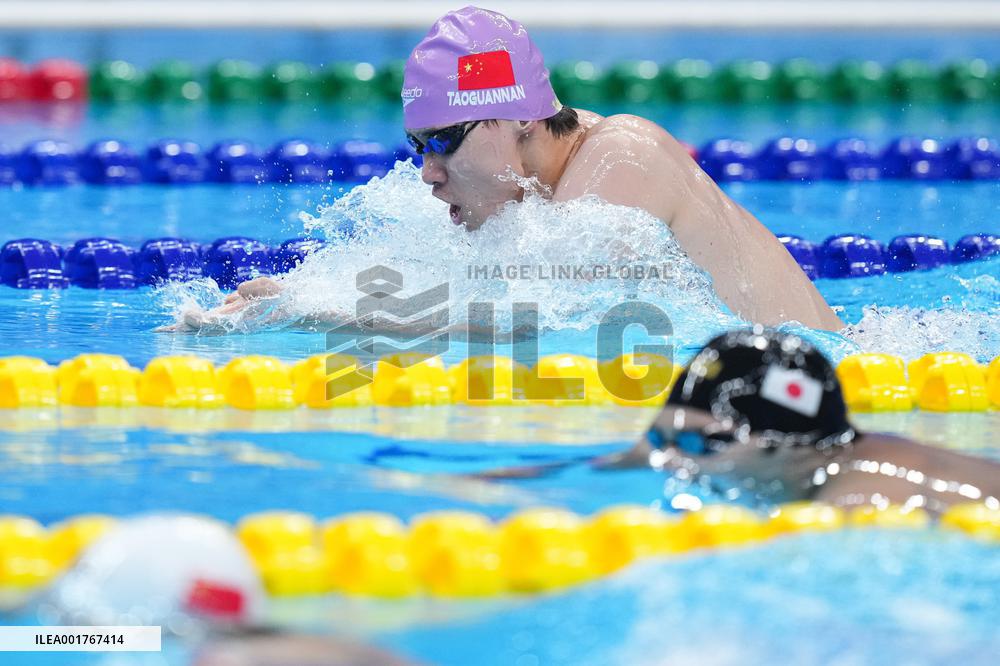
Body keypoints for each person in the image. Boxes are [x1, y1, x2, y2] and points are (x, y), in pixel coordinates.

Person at [169, 5, 842, 334]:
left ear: (514, 120)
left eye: (443, 142)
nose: (428, 173)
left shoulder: (624, 156)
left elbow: (540, 318)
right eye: (418, 147)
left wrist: (326, 316)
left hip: (839, 393)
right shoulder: (545, 191)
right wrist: (312, 288)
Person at [596, 328, 1000, 515]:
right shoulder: (828, 451)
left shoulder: (862, 507)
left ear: (790, 447)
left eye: (698, 444)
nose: (668, 461)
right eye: (658, 436)